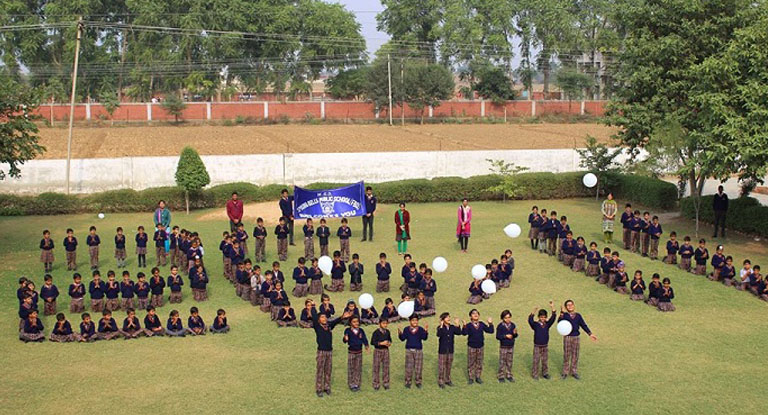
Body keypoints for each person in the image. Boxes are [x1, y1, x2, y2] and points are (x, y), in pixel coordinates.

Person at [310, 300, 352, 397]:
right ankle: (319, 389)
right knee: (320, 370)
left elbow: (335, 321)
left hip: (329, 351)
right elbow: (314, 316)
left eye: (325, 317)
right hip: (321, 351)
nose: (324, 318)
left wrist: (342, 317)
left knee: (328, 370)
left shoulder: (328, 326)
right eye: (322, 317)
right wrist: (312, 306)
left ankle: (327, 387)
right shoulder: (317, 327)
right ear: (319, 319)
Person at [558, 300, 597, 380]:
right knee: (567, 354)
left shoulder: (578, 316)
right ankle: (565, 372)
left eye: (571, 305)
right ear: (566, 307)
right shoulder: (564, 315)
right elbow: (559, 322)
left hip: (576, 337)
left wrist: (590, 334)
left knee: (575, 354)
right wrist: (561, 313)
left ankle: (574, 371)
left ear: (574, 305)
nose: (570, 306)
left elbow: (583, 325)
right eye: (568, 305)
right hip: (567, 337)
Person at [462, 309, 493, 384]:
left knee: (479, 362)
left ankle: (478, 377)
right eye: (473, 313)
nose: (475, 315)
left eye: (477, 313)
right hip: (471, 346)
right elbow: (464, 333)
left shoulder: (482, 324)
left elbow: (490, 331)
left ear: (479, 315)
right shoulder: (469, 325)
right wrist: (464, 325)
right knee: (471, 362)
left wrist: (490, 324)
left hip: (480, 346)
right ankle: (471, 378)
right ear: (470, 316)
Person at [398, 315, 428, 389]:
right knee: (409, 367)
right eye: (413, 320)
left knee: (418, 367)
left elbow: (424, 338)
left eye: (416, 320)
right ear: (410, 321)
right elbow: (402, 338)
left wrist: (426, 331)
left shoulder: (420, 329)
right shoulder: (406, 329)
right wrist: (399, 332)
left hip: (418, 350)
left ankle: (418, 382)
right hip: (409, 350)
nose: (415, 322)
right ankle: (408, 382)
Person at [529, 302, 557, 380]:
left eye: (544, 317)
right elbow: (530, 320)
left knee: (545, 361)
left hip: (545, 345)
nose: (543, 319)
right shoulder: (535, 325)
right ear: (538, 317)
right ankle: (535, 374)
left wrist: (552, 307)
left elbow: (553, 318)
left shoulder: (547, 324)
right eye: (541, 317)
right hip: (537, 346)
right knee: (536, 360)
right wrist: (534, 311)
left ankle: (545, 373)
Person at [342, 316, 369, 391]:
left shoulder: (361, 331)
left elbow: (364, 339)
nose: (356, 323)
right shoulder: (347, 330)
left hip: (359, 352)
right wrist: (345, 338)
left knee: (358, 368)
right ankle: (351, 384)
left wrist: (366, 345)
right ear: (350, 323)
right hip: (351, 352)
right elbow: (344, 340)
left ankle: (357, 384)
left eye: (357, 321)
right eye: (354, 322)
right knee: (351, 368)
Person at [436, 313, 462, 388]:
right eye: (447, 317)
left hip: (450, 349)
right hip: (442, 350)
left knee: (449, 365)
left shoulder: (452, 327)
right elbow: (439, 334)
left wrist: (457, 325)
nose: (449, 319)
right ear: (443, 320)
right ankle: (441, 380)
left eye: (449, 317)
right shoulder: (440, 327)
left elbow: (459, 333)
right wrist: (441, 325)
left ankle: (447, 380)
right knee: (441, 366)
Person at [496, 310, 518, 383]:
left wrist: (515, 334)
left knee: (509, 361)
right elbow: (498, 336)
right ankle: (501, 375)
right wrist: (505, 336)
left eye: (509, 317)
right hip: (503, 346)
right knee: (502, 361)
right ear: (503, 318)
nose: (508, 319)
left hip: (511, 346)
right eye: (506, 318)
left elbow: (515, 336)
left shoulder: (513, 325)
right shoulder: (500, 326)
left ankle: (509, 375)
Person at [370, 318, 392, 390]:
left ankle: (386, 383)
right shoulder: (376, 332)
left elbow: (390, 340)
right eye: (383, 323)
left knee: (386, 367)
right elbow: (372, 342)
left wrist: (388, 343)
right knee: (376, 367)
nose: (385, 325)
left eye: (386, 323)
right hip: (378, 351)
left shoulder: (388, 332)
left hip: (386, 351)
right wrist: (381, 343)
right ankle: (376, 383)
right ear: (379, 324)